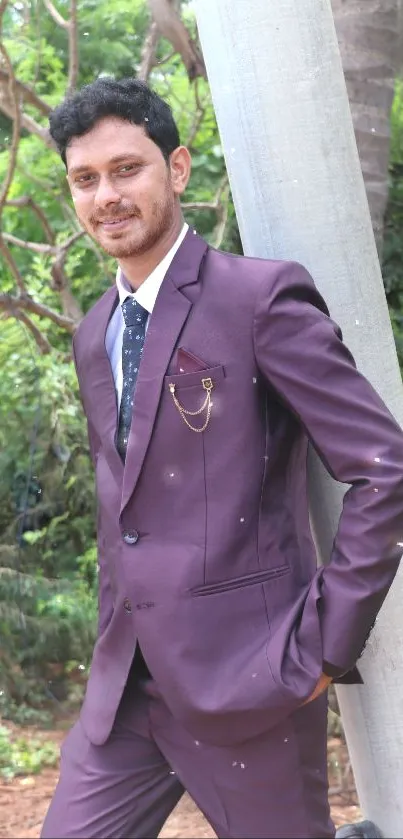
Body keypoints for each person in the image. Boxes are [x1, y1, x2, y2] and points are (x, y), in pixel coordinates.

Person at [41, 76, 402, 839]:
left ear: (176, 169)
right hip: (127, 693)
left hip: (253, 681)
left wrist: (321, 647)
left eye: (126, 168)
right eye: (85, 178)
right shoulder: (92, 332)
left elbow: (382, 468)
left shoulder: (258, 300)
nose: (106, 194)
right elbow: (130, 499)